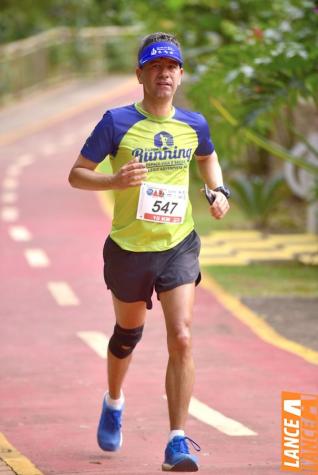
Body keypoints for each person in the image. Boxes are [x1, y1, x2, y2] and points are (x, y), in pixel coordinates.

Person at [68, 31, 230, 472]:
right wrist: (114, 181)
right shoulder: (116, 122)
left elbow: (207, 157)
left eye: (172, 66)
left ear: (180, 75)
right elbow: (78, 175)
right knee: (128, 335)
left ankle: (177, 441)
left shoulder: (194, 124)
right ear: (140, 74)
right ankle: (114, 401)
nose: (165, 73)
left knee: (181, 336)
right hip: (128, 248)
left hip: (178, 243)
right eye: (155, 66)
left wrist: (217, 190)